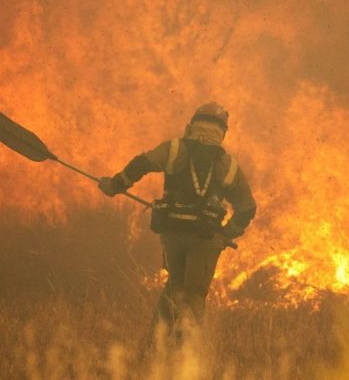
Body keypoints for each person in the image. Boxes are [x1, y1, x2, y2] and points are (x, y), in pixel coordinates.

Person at [98, 102, 256, 337]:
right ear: (222, 132)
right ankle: (186, 361)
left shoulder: (174, 149)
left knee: (174, 288)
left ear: (192, 125)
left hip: (173, 237)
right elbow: (246, 207)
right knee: (193, 298)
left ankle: (156, 347)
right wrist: (226, 234)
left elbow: (142, 163)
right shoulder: (227, 164)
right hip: (205, 241)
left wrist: (116, 184)